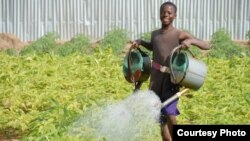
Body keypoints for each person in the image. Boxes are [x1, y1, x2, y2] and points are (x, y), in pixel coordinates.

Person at [131, 1, 210, 141]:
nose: (166, 15)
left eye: (169, 13)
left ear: (175, 16)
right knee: (161, 119)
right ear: (159, 14)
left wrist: (190, 41)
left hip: (171, 81)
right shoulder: (155, 34)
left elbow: (206, 45)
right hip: (155, 81)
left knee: (169, 112)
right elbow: (154, 47)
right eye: (163, 12)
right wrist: (141, 42)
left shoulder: (179, 34)